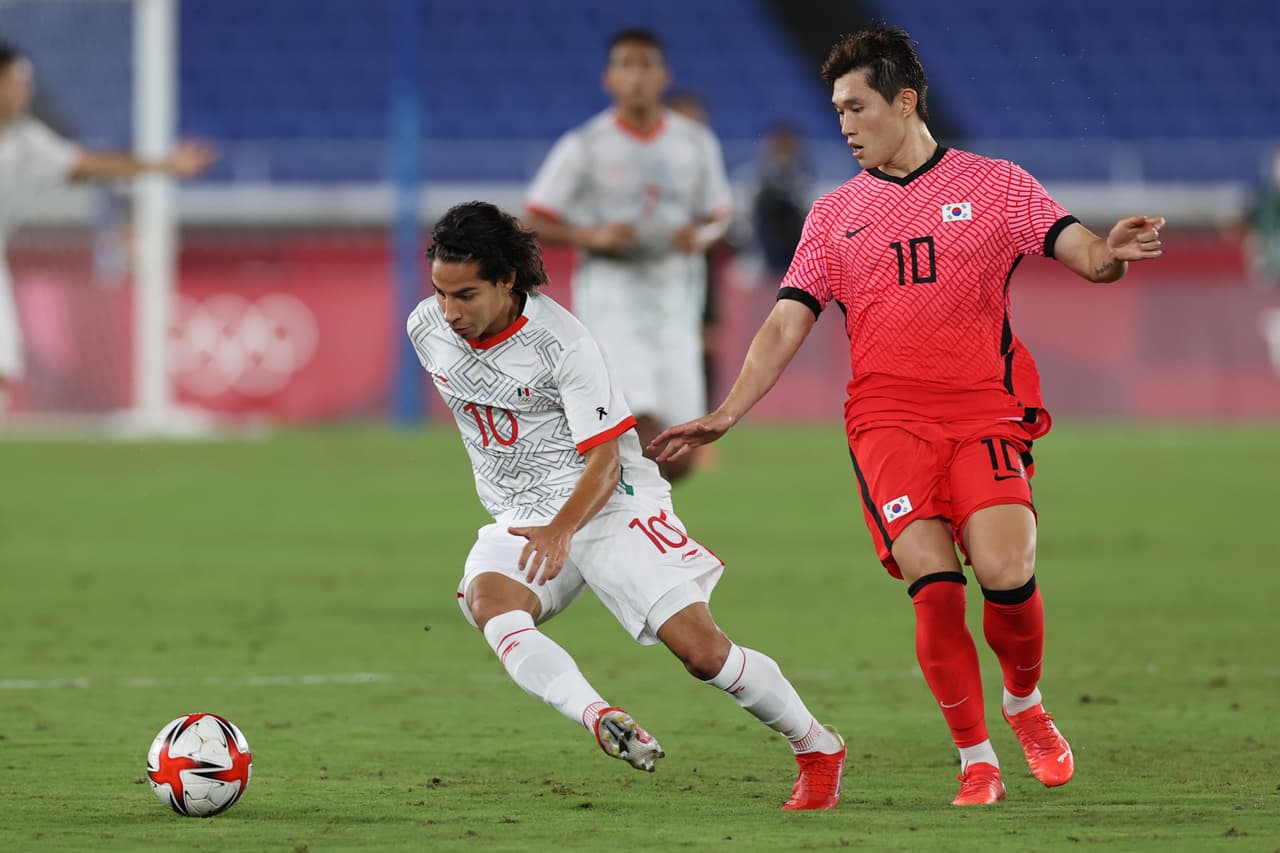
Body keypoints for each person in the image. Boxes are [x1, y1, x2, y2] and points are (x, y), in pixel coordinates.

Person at [649, 26, 1166, 806]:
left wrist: (1113, 251)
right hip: (888, 422)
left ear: (906, 101)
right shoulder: (833, 215)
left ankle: (1023, 703)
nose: (846, 124)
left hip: (985, 409)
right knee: (935, 585)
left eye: (857, 107)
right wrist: (726, 412)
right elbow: (787, 320)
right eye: (837, 111)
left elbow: (1088, 257)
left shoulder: (997, 185)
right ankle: (976, 757)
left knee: (1006, 568)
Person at [407, 201, 846, 810]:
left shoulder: (563, 345)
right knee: (493, 604)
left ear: (507, 280)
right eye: (441, 293)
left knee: (701, 652)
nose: (449, 312)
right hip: (525, 515)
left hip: (610, 501)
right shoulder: (426, 327)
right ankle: (601, 718)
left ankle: (816, 746)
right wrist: (542, 521)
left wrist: (563, 532)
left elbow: (607, 461)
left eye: (466, 295)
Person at [523, 28, 733, 484]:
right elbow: (533, 219)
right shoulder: (586, 145)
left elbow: (720, 214)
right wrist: (590, 234)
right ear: (609, 78)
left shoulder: (694, 143)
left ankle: (646, 528)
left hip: (676, 298)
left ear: (663, 76)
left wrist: (697, 237)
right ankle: (613, 529)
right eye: (626, 65)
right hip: (612, 299)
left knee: (681, 449)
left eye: (646, 65)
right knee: (634, 427)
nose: (636, 76)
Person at [0, 41, 215, 413]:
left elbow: (85, 165)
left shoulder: (26, 142)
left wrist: (166, 165)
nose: (26, 90)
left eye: (27, 81)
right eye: (17, 80)